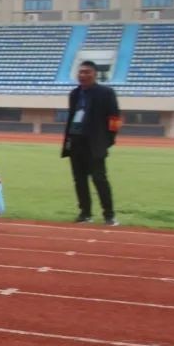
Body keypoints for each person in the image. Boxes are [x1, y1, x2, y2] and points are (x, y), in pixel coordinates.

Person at [62, 60, 121, 226]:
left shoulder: (106, 93)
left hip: (95, 143)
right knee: (79, 180)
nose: (83, 75)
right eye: (80, 72)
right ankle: (85, 213)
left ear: (95, 74)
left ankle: (109, 215)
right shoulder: (74, 94)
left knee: (99, 179)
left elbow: (115, 118)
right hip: (76, 142)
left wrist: (109, 140)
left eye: (87, 72)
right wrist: (68, 141)